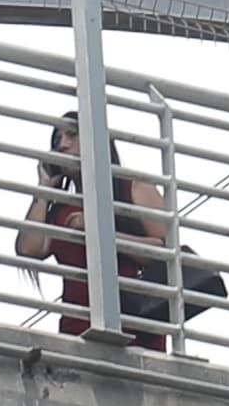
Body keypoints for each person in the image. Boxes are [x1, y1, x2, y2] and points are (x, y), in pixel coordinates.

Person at [16, 114, 174, 346]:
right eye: (57, 138)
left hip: (135, 328)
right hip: (77, 330)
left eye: (72, 135)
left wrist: (99, 231)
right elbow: (28, 249)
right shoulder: (60, 209)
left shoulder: (132, 188)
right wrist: (44, 189)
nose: (62, 144)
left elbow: (166, 252)